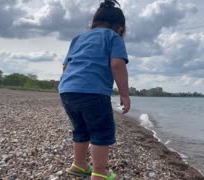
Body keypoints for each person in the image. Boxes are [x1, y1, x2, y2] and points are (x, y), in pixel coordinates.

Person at [58, 0, 130, 179]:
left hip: (67, 90)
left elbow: (65, 67)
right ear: (120, 28)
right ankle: (100, 172)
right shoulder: (113, 37)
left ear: (95, 22)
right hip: (94, 92)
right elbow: (117, 64)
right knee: (100, 131)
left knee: (80, 128)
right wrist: (124, 94)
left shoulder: (78, 38)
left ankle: (79, 165)